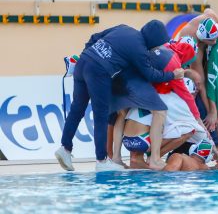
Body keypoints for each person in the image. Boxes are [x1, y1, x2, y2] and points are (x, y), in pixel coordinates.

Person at [55, 20, 184, 171]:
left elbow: (94, 37)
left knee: (77, 109)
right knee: (101, 115)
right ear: (153, 40)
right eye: (158, 44)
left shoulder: (123, 28)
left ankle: (65, 148)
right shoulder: (140, 49)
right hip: (98, 72)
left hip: (83, 62)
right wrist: (172, 75)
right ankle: (101, 161)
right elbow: (150, 74)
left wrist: (88, 54)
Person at [112, 41, 209, 168]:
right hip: (142, 141)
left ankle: (116, 157)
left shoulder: (164, 50)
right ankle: (154, 159)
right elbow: (190, 106)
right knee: (183, 128)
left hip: (121, 80)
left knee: (122, 114)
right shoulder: (173, 94)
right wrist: (206, 134)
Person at [178, 9, 218, 113]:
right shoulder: (193, 47)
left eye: (215, 38)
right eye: (211, 40)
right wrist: (210, 111)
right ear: (201, 38)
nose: (215, 42)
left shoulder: (213, 19)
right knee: (197, 85)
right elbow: (200, 82)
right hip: (184, 65)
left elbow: (208, 10)